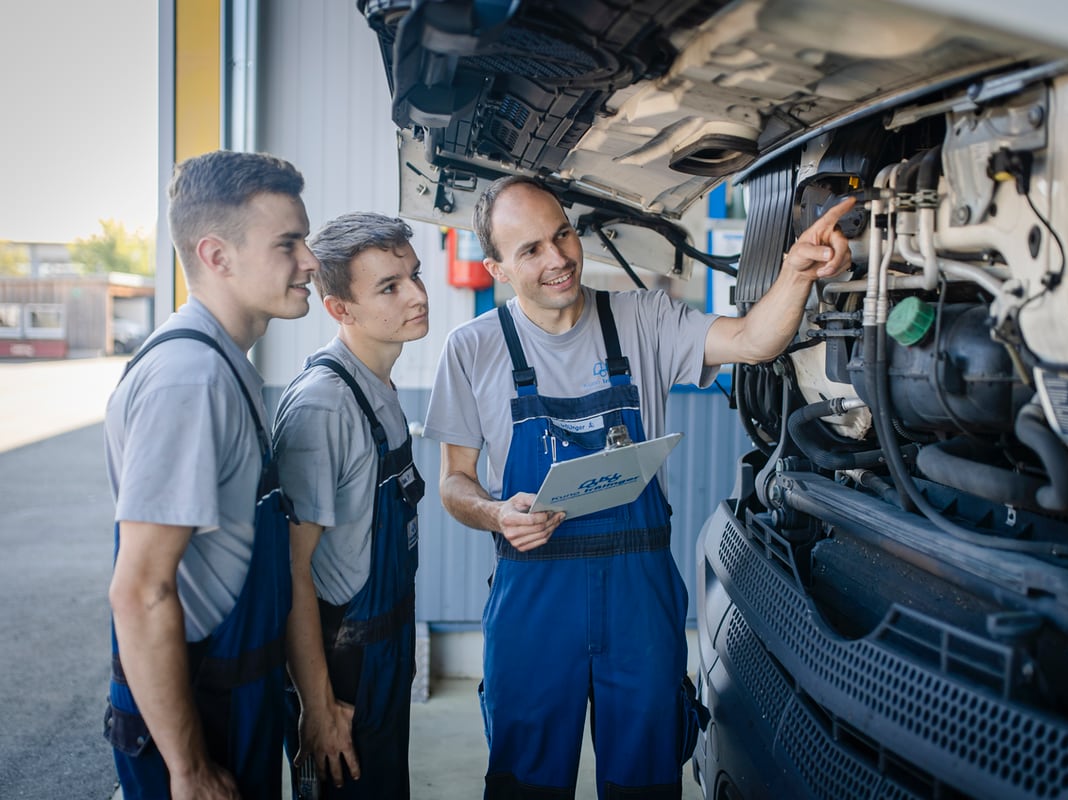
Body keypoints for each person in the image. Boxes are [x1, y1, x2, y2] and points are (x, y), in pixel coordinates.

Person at [422, 174, 855, 797]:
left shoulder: (643, 318)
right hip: (534, 596)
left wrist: (797, 272)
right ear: (496, 268)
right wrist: (495, 514)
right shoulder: (471, 349)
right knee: (526, 782)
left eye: (562, 235)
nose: (557, 259)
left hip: (639, 594)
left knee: (648, 779)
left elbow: (755, 341)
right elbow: (454, 483)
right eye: (530, 250)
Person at [104, 150, 318, 799]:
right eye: (289, 243)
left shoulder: (222, 364)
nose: (310, 261)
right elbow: (140, 591)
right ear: (217, 256)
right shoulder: (190, 380)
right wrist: (190, 769)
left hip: (238, 693)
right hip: (201, 717)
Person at [273, 212, 429, 798]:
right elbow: (291, 570)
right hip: (342, 672)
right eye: (390, 286)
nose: (417, 295)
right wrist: (317, 705)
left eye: (414, 276)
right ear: (340, 308)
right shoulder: (324, 407)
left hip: (386, 650)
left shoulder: (377, 384)